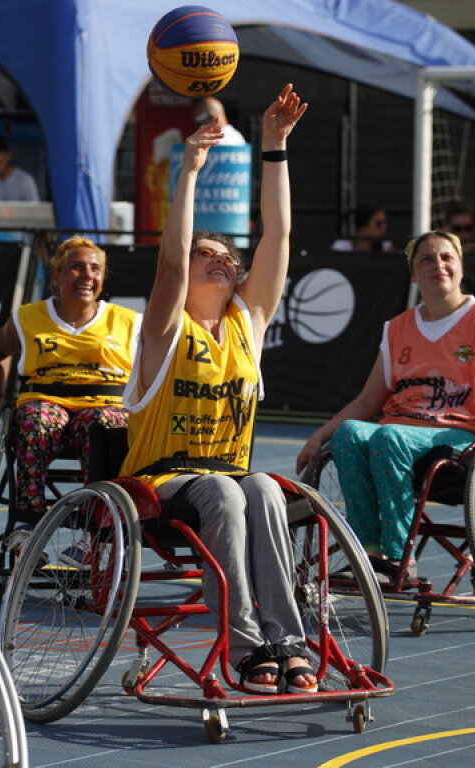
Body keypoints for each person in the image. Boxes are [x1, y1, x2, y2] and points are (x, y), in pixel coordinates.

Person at [119, 84, 317, 695]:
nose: (221, 261)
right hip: (162, 480)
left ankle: (287, 641)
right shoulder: (164, 327)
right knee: (227, 495)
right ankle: (246, 644)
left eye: (226, 257)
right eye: (209, 254)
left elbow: (276, 239)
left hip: (227, 476)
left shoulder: (244, 325)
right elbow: (172, 263)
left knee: (261, 484)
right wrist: (190, 176)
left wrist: (275, 147)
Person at [295, 231, 475, 582]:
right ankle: (369, 552)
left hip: (457, 438)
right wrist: (319, 435)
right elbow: (367, 401)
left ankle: (398, 559)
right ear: (413, 274)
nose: (437, 264)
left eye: (446, 257)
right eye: (426, 259)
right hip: (399, 433)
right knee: (350, 433)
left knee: (388, 435)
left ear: (460, 267)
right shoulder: (396, 329)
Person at [0, 236, 139, 562]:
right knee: (35, 421)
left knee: (106, 425)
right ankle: (25, 526)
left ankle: (97, 535)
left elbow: (154, 368)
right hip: (46, 399)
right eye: (77, 267)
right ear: (56, 274)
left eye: (95, 269)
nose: (86, 275)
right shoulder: (28, 317)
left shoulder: (128, 321)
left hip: (104, 403)